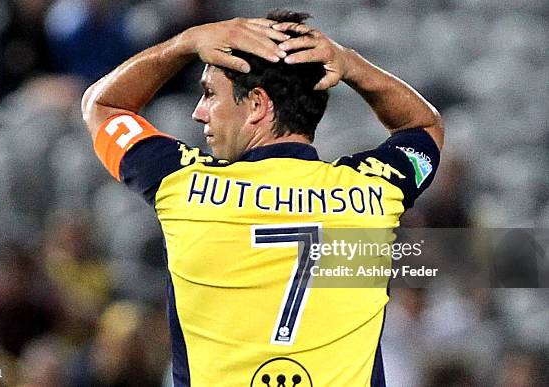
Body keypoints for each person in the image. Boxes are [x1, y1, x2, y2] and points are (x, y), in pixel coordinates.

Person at [81, 9, 443, 387]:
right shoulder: (373, 194)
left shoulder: (184, 186)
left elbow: (103, 105)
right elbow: (424, 127)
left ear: (257, 104)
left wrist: (185, 43)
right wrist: (350, 64)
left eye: (209, 94)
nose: (198, 112)